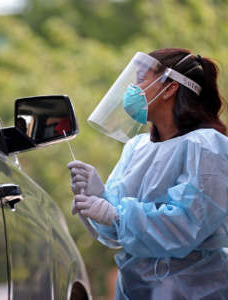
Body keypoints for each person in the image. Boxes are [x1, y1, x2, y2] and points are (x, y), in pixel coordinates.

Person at [68, 48, 228, 299]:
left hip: (192, 289)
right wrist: (99, 196)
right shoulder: (137, 147)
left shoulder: (206, 146)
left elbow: (186, 226)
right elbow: (115, 235)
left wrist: (117, 214)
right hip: (135, 288)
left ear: (170, 87)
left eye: (141, 79)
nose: (133, 88)